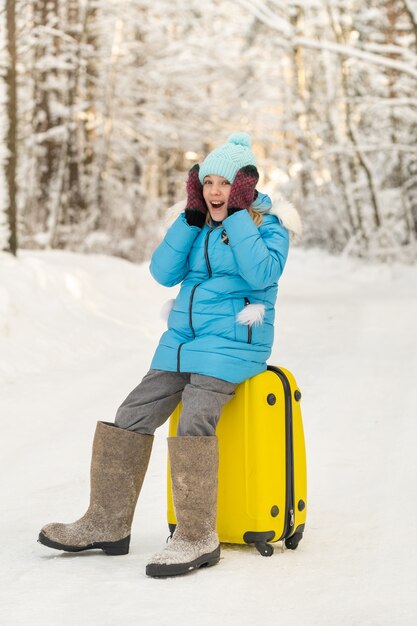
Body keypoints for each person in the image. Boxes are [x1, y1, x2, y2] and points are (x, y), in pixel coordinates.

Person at [38, 132, 301, 578]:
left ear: (245, 187)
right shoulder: (197, 223)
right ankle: (106, 523)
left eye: (226, 184)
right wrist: (190, 219)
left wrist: (238, 216)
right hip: (182, 343)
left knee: (196, 414)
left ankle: (198, 535)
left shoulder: (267, 226)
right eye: (208, 184)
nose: (215, 193)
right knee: (132, 412)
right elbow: (162, 273)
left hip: (234, 345)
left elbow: (262, 274)